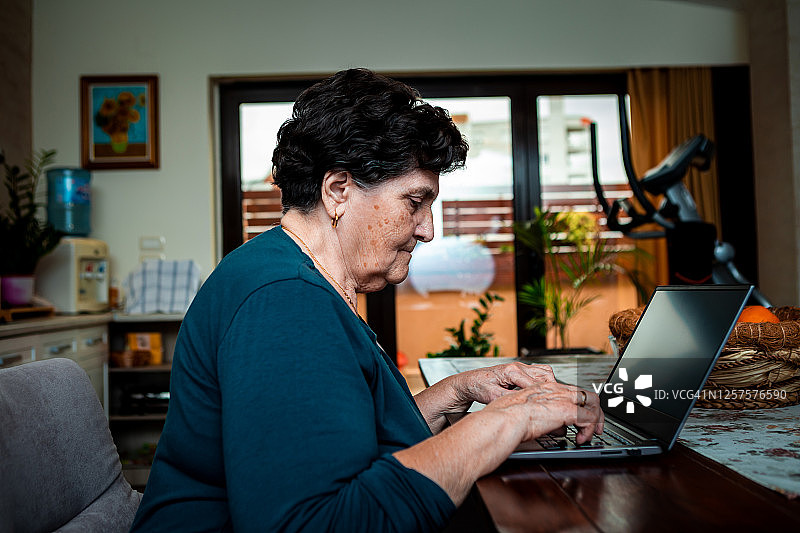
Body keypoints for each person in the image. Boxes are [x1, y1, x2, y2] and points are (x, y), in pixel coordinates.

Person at [131, 68, 603, 532]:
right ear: (338, 191)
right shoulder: (284, 302)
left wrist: (456, 393)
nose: (428, 229)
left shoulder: (291, 275)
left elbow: (336, 443)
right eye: (414, 202)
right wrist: (505, 421)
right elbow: (316, 521)